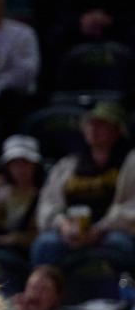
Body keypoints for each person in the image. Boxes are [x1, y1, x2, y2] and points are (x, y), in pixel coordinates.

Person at [31, 102, 135, 273]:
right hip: (70, 232)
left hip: (112, 230)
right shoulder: (67, 164)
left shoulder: (131, 162)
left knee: (118, 243)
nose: (94, 128)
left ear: (118, 129)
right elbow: (47, 203)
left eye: (102, 124)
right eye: (90, 124)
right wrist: (63, 224)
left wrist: (102, 227)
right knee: (45, 244)